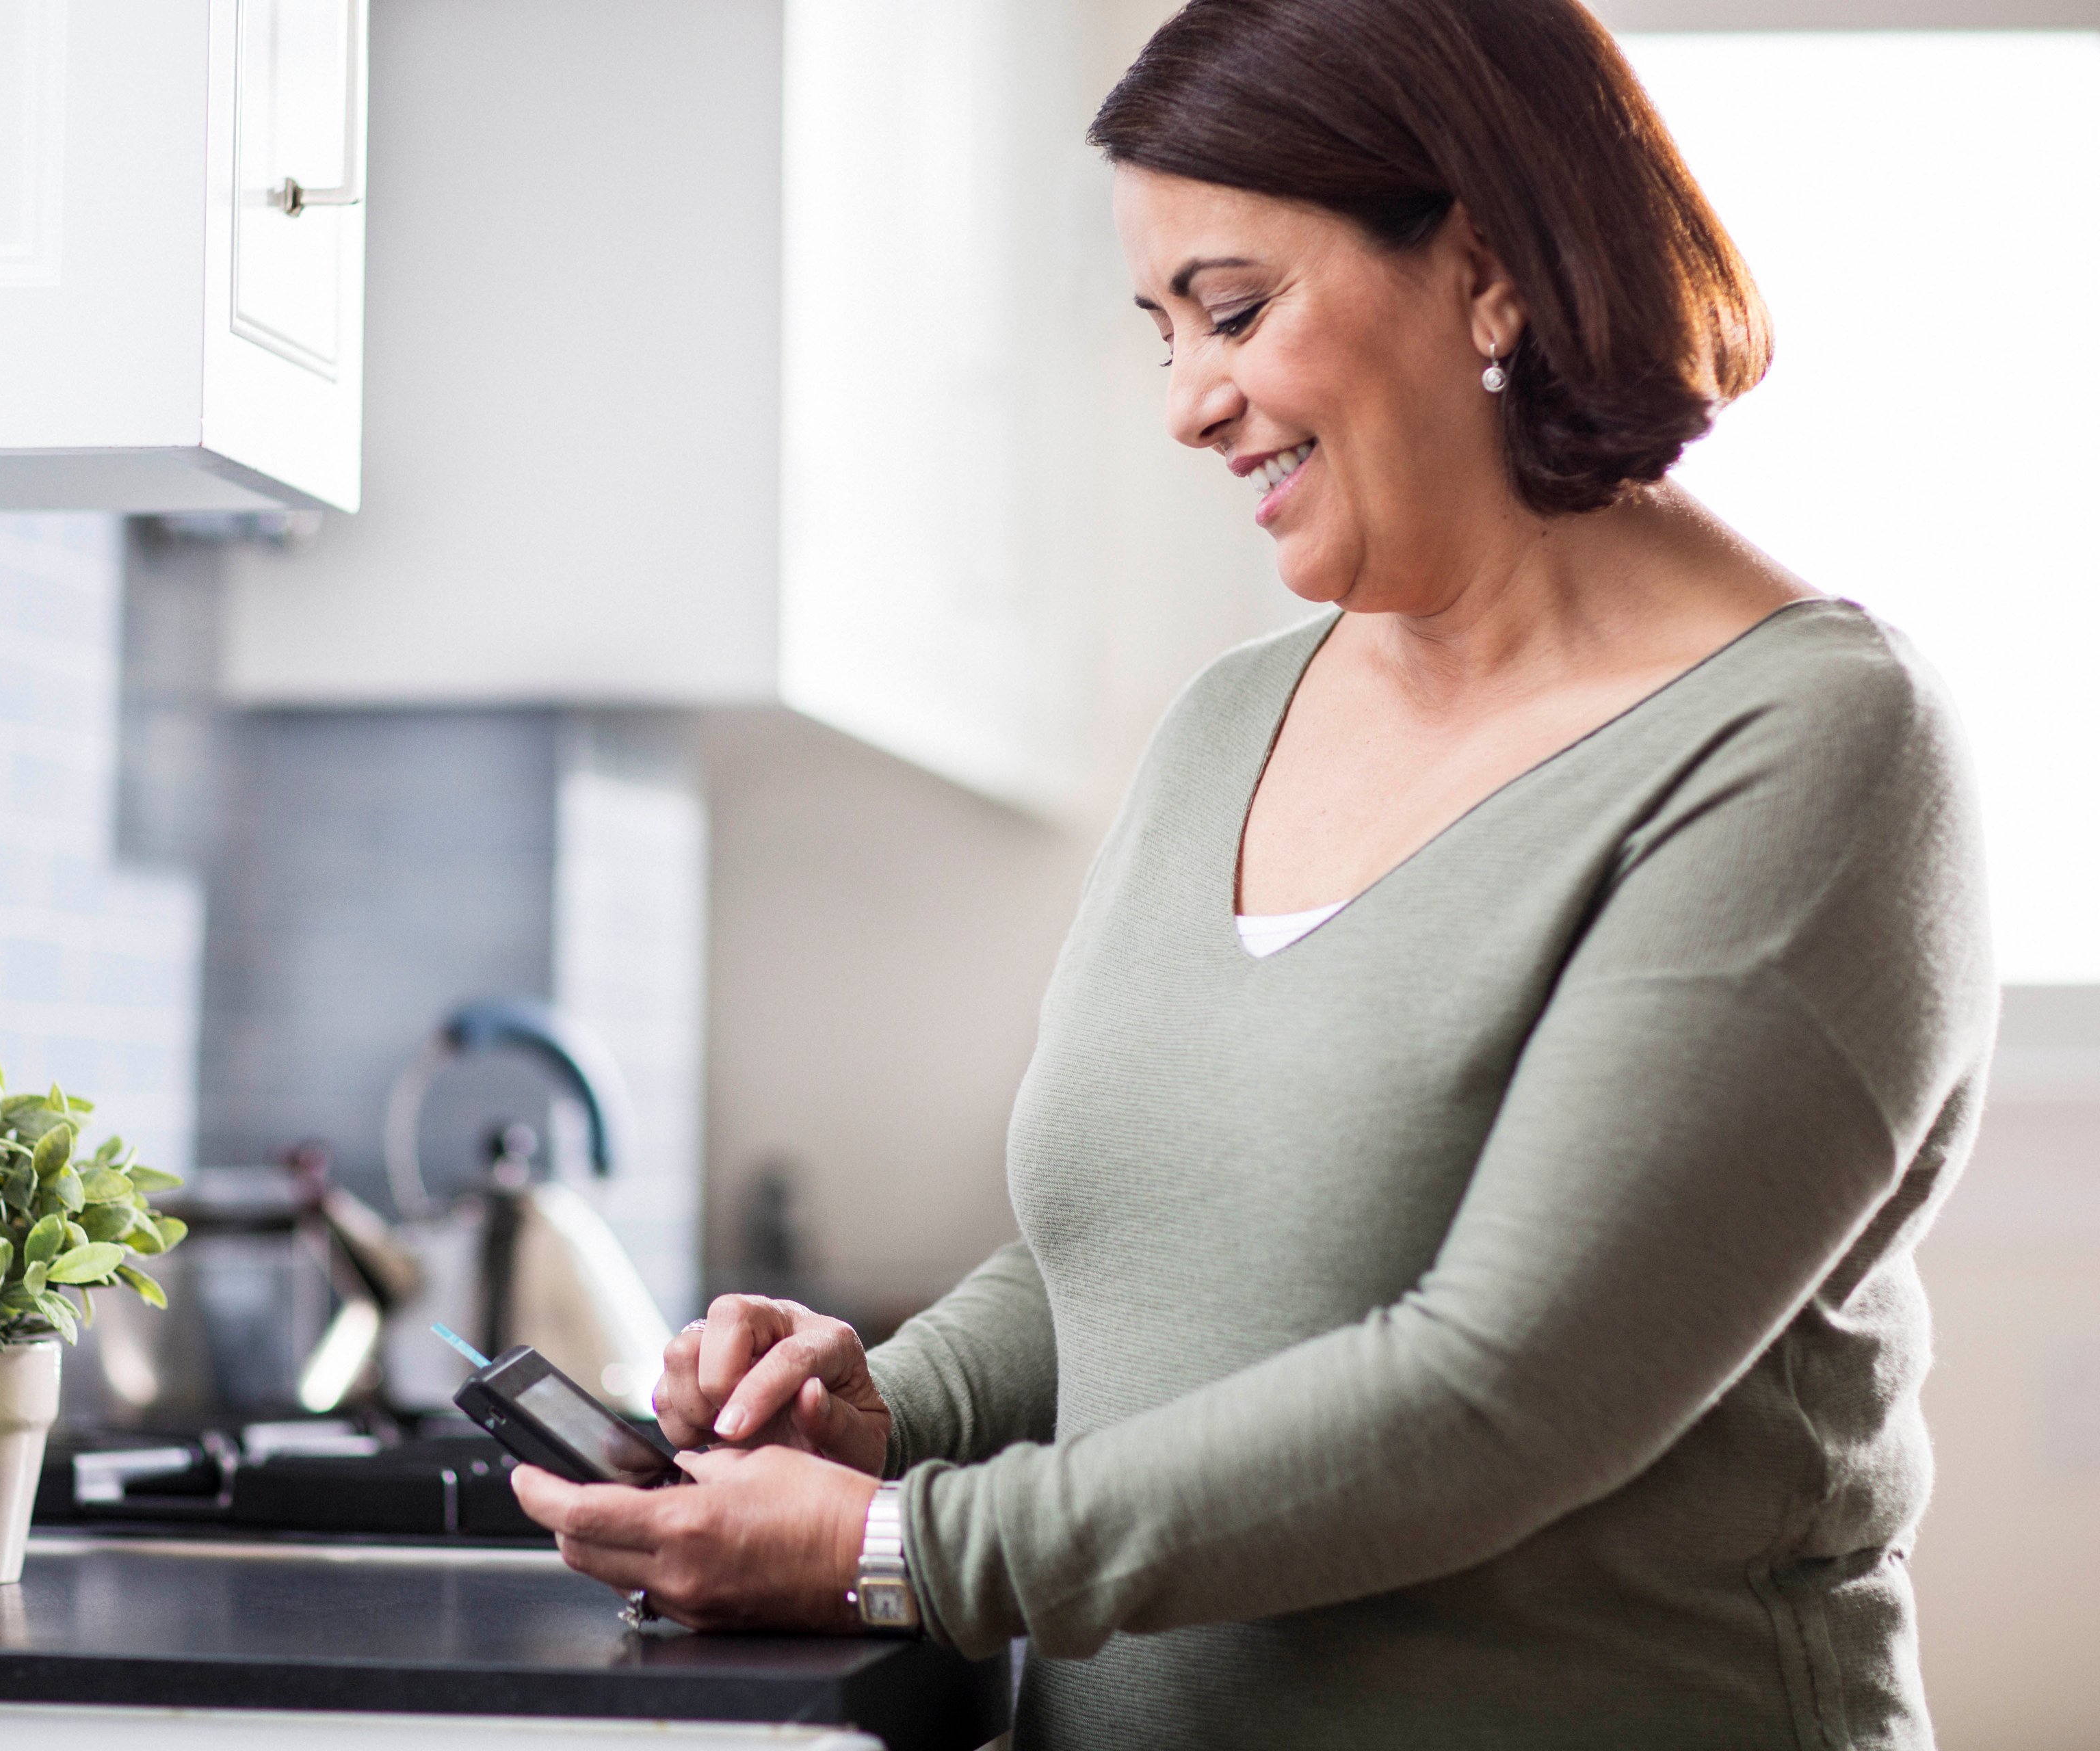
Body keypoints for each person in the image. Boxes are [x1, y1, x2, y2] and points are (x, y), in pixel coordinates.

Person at [511, 1, 1997, 1744]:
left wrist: (898, 1544)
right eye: (1158, 331)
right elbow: (1135, 1256)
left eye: (1232, 308)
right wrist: (882, 1408)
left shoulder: (1808, 747)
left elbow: (1495, 1401)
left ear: (1494, 267)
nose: (1187, 401)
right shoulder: (1232, 720)